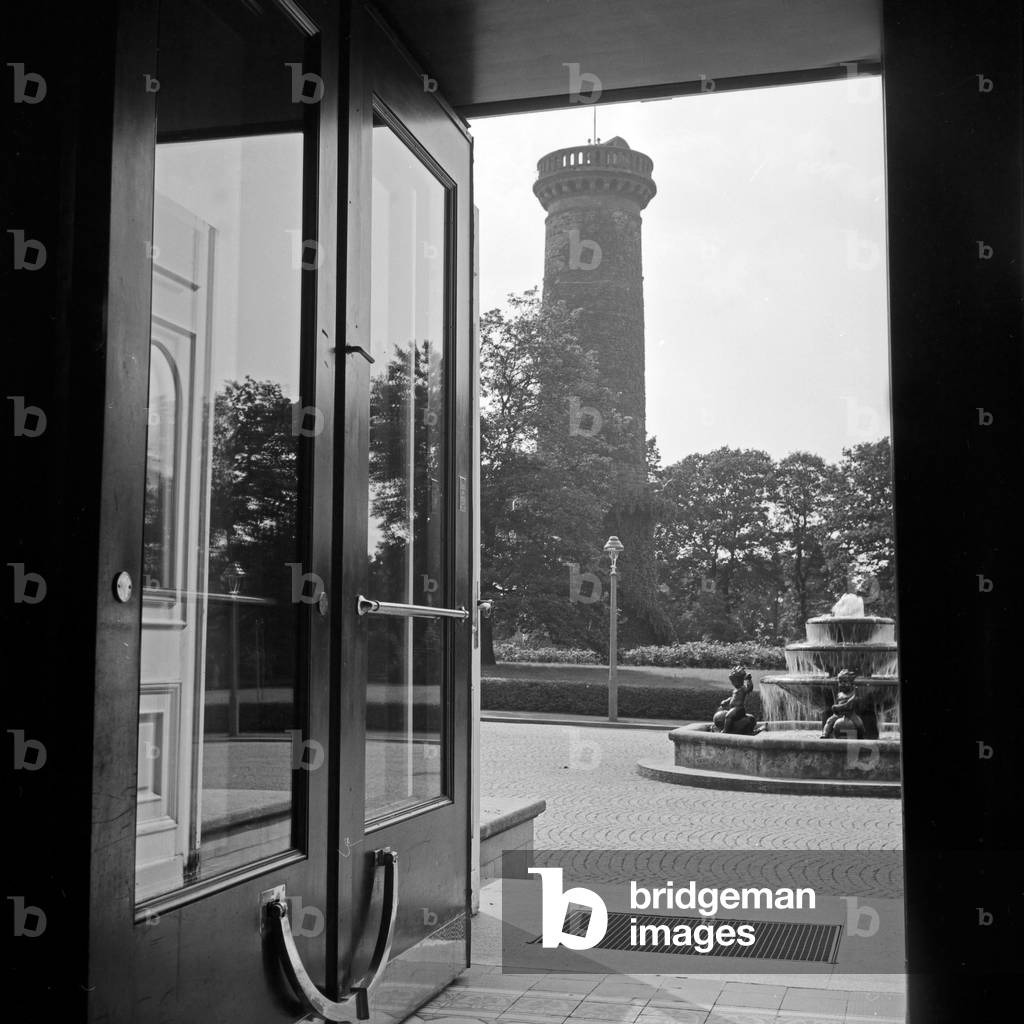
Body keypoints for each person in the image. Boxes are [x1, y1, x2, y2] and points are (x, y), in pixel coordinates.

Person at [820, 669, 864, 739]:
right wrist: (836, 709)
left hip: (850, 715)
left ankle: (861, 737)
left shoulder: (853, 694)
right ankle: (825, 734)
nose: (842, 684)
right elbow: (837, 705)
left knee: (859, 725)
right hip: (839, 714)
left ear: (851, 683)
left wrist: (837, 707)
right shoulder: (840, 694)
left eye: (845, 682)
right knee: (829, 721)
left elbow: (849, 705)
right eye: (840, 682)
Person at [713, 665, 756, 734]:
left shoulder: (742, 688)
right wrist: (726, 701)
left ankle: (726, 730)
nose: (733, 684)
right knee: (729, 715)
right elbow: (733, 698)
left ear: (739, 680)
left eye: (734, 682)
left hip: (739, 709)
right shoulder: (736, 689)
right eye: (732, 682)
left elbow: (749, 689)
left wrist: (749, 679)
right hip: (734, 708)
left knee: (728, 716)